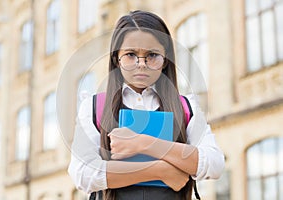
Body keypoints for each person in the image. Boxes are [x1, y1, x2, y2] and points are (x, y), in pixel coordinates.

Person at [68, 10, 225, 200]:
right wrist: (160, 170)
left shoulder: (186, 107)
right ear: (116, 59)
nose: (141, 64)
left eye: (152, 55)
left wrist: (143, 143)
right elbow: (83, 173)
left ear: (165, 60)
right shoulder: (94, 107)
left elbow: (214, 163)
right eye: (131, 54)